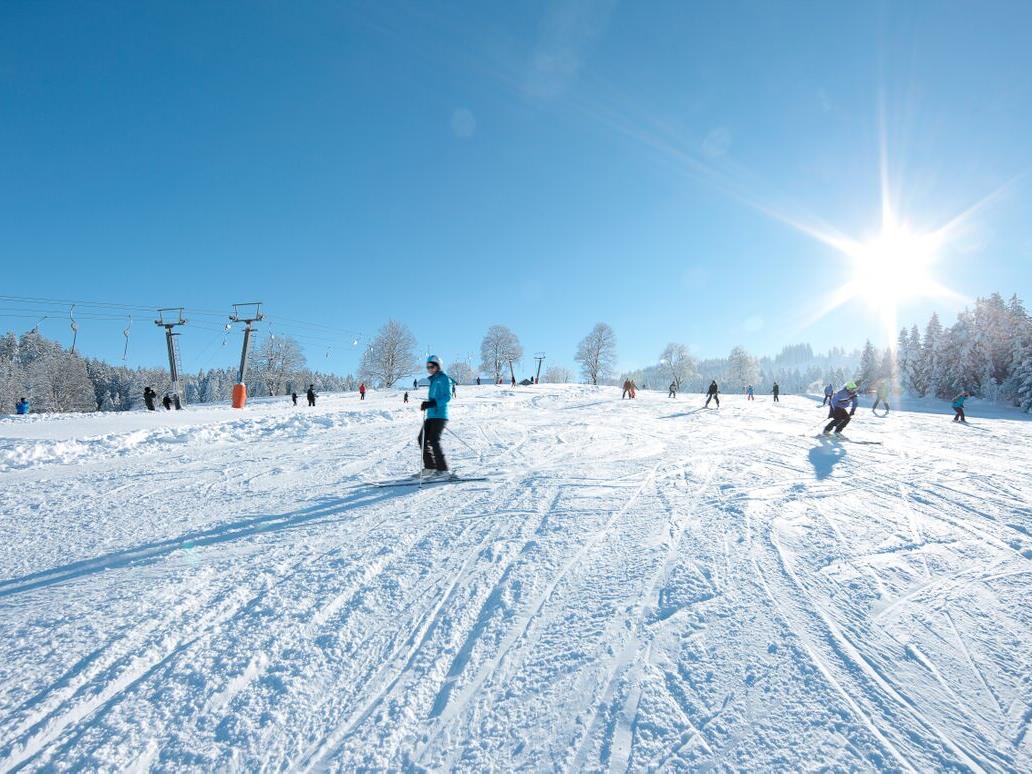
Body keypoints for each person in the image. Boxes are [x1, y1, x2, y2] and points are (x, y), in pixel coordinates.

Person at [419, 355, 452, 477]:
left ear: (438, 366)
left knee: (433, 440)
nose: (430, 369)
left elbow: (447, 396)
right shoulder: (433, 380)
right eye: (428, 367)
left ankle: (443, 469)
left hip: (440, 415)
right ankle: (430, 467)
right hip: (431, 415)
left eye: (432, 366)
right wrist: (426, 405)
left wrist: (432, 403)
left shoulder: (443, 378)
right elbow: (433, 398)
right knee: (421, 439)